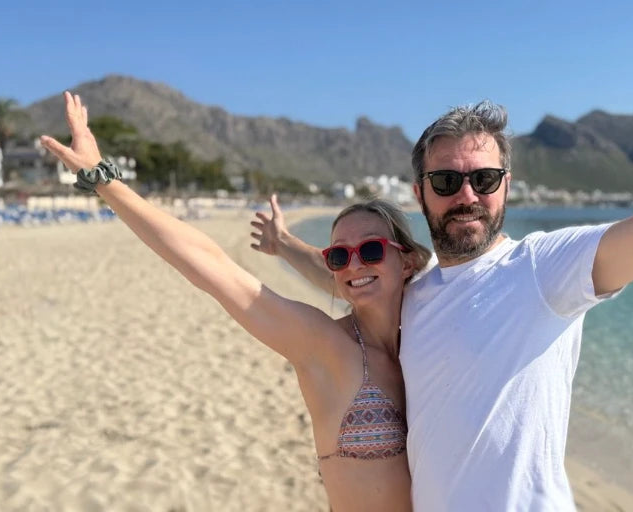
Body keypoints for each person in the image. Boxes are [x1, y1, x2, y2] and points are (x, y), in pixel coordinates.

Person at [255, 100, 633, 510]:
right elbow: (352, 273)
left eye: (483, 179)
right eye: (446, 180)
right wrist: (285, 245)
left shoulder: (546, 270)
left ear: (505, 187)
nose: (466, 195)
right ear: (420, 193)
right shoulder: (414, 294)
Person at [38, 92, 430, 510]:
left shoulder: (427, 323)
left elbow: (351, 277)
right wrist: (104, 179)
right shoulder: (325, 345)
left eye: (369, 250)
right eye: (339, 255)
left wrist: (284, 243)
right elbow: (213, 267)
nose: (353, 265)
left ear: (406, 260)